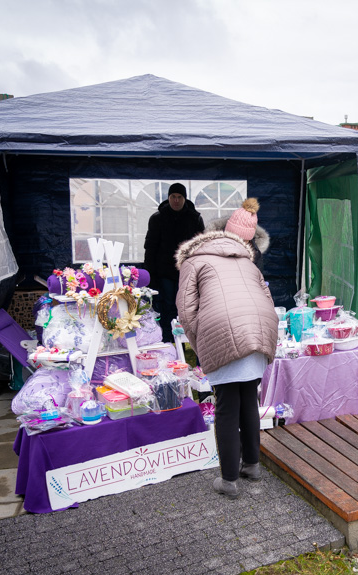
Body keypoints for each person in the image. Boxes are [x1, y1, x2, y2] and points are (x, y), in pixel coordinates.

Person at [175, 225, 278, 500]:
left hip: (221, 329)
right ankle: (252, 466)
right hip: (259, 327)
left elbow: (185, 310)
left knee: (226, 407)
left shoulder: (193, 262)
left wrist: (201, 345)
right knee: (248, 399)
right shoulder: (247, 262)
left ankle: (229, 479)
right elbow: (267, 297)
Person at [144, 183, 205, 340]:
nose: (176, 200)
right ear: (168, 198)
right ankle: (168, 339)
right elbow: (150, 247)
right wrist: (151, 274)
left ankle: (188, 341)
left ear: (184, 199)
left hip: (187, 272)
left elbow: (201, 247)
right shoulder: (157, 218)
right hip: (165, 272)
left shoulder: (194, 218)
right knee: (168, 305)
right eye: (173, 197)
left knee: (187, 306)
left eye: (179, 197)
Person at [204, 197, 270, 273]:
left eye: (243, 240)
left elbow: (256, 278)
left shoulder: (255, 254)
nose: (238, 243)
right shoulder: (211, 250)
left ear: (249, 239)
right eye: (233, 238)